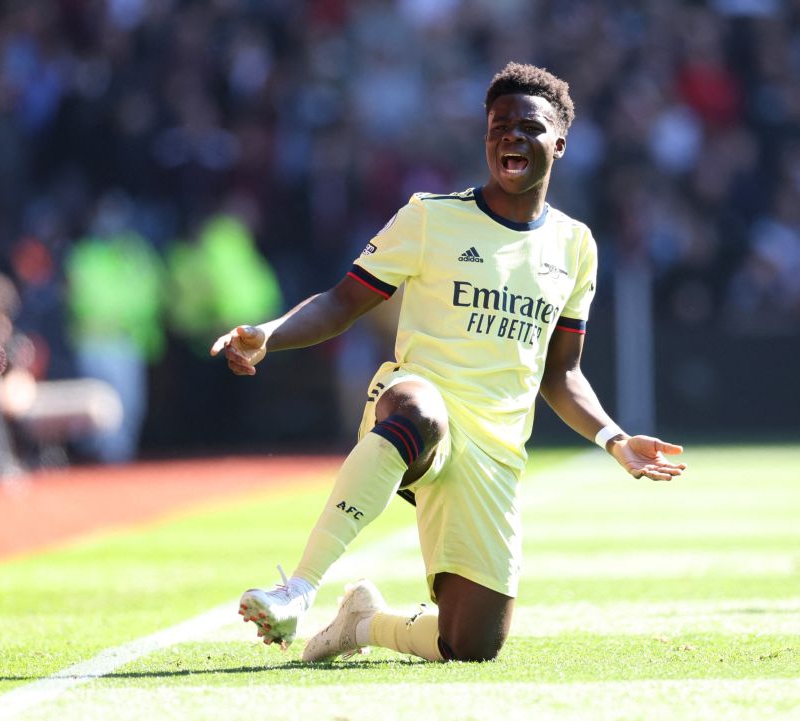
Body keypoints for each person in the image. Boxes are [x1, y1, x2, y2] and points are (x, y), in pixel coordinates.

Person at [211, 63, 686, 663]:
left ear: (560, 144)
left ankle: (362, 623)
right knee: (420, 411)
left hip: (494, 450)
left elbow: (561, 373)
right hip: (414, 403)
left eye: (529, 127)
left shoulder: (575, 246)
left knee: (471, 644)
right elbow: (341, 302)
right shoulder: (430, 216)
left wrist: (614, 440)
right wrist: (269, 335)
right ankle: (297, 590)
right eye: (499, 125)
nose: (511, 136)